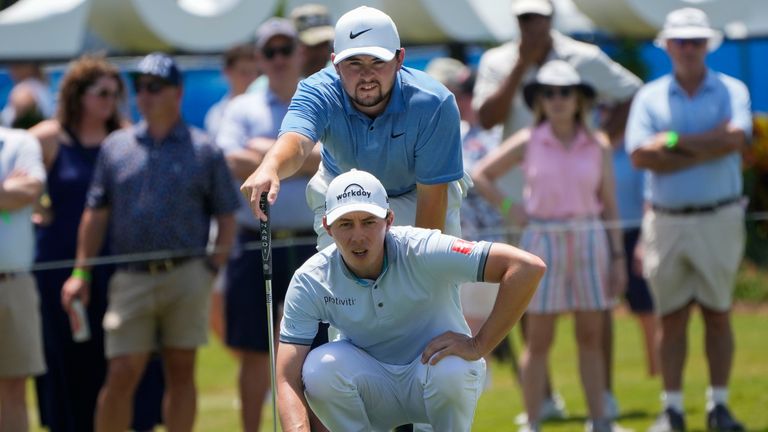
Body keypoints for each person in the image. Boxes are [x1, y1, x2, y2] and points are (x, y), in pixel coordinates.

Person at [472, 0, 642, 421]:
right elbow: (486, 126)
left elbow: (631, 92)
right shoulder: (502, 66)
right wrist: (512, 208)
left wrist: (600, 142)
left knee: (594, 327)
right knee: (536, 333)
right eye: (548, 93)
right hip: (537, 229)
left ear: (551, 18)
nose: (557, 99)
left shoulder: (594, 132)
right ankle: (538, 411)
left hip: (585, 234)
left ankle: (601, 413)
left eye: (565, 92)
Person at [275, 168, 546, 431]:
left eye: (369, 221)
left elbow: (526, 267)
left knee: (451, 369)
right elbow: (287, 377)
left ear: (389, 220)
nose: (358, 236)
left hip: (435, 375)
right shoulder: (310, 279)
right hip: (371, 386)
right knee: (318, 369)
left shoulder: (423, 247)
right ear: (328, 227)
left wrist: (478, 345)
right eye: (346, 224)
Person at [60, 52, 240, 432]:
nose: (145, 94)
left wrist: (211, 268)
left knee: (180, 369)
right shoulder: (116, 146)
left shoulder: (204, 149)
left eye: (155, 87)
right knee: (122, 371)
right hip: (130, 277)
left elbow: (227, 215)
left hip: (187, 273)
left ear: (177, 92)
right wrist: (81, 271)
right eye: (139, 87)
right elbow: (96, 213)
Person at [240, 6, 468, 251]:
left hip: (415, 193)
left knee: (429, 273)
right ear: (336, 65)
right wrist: (270, 167)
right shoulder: (316, 90)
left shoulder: (434, 102)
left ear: (399, 59)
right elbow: (296, 142)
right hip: (343, 193)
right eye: (354, 62)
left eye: (378, 61)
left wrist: (422, 272)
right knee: (345, 288)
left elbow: (431, 203)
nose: (367, 74)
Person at [625, 8, 751, 432]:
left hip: (718, 215)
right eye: (682, 41)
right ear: (668, 45)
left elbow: (736, 140)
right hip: (666, 220)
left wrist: (673, 143)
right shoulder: (650, 96)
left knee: (717, 313)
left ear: (707, 45)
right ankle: (672, 409)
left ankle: (719, 407)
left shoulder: (731, 89)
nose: (689, 48)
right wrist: (710, 145)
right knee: (671, 317)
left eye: (697, 41)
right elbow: (641, 155)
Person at [29, 54, 164, 432]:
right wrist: (34, 208)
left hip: (119, 265)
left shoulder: (126, 135)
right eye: (101, 92)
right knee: (68, 358)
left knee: (125, 358)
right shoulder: (49, 137)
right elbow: (17, 176)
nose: (109, 100)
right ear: (77, 94)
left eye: (115, 93)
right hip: (60, 264)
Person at [215, 18, 324, 431]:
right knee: (254, 351)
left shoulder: (318, 101)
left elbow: (329, 161)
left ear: (299, 53)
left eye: (286, 50)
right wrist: (294, 158)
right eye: (270, 52)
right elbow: (229, 159)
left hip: (311, 242)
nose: (279, 59)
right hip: (253, 239)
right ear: (259, 59)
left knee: (314, 348)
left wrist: (265, 156)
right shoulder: (241, 107)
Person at [0, 126, 46, 432]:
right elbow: (18, 194)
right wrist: (6, 191)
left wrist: (19, 191)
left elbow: (32, 190)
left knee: (14, 387)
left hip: (13, 283)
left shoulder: (19, 141)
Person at [204, 43, 260, 138]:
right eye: (244, 72)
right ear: (227, 72)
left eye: (257, 72)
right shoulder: (216, 116)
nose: (252, 78)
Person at [1, 62, 55, 129]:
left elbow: (21, 128)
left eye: (17, 64)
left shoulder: (23, 91)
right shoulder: (40, 86)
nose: (11, 68)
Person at [291, 3, 335, 77]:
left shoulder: (341, 78)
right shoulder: (271, 85)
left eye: (325, 44)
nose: (323, 52)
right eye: (315, 46)